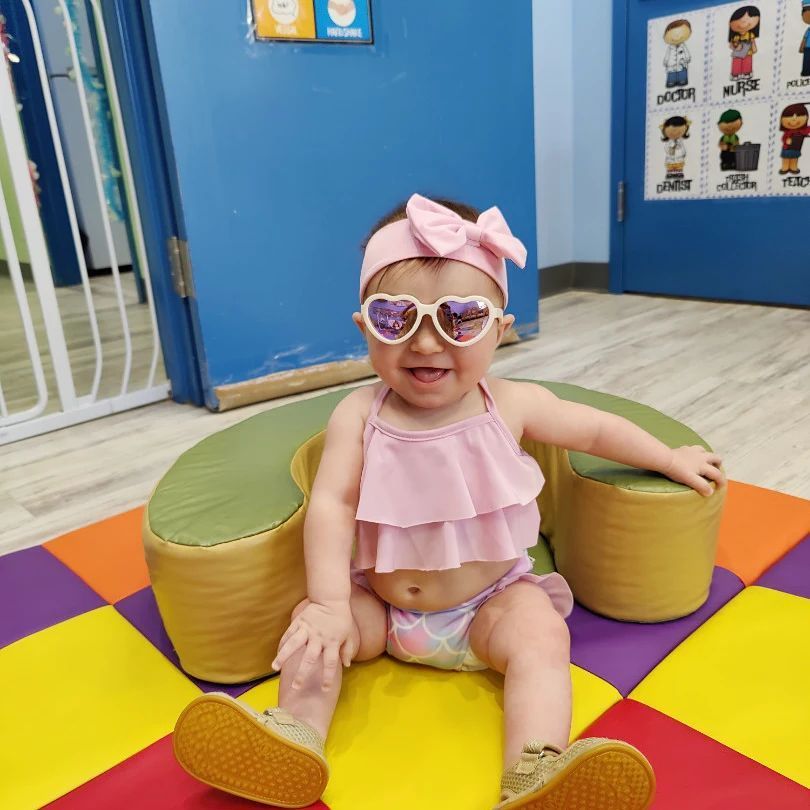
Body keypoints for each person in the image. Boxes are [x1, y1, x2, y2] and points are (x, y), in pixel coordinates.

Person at [172, 194, 725, 809]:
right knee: (314, 633)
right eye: (395, 320)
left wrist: (669, 459)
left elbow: (594, 429)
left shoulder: (510, 403)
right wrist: (330, 603)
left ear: (500, 328)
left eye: (459, 318)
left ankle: (534, 768)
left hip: (488, 607)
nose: (427, 345)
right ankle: (292, 737)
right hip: (380, 608)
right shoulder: (359, 413)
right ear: (364, 329)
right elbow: (330, 503)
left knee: (541, 637)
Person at [728, 6, 760, 80]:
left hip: (748, 53)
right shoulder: (735, 37)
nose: (744, 24)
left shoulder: (750, 35)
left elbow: (752, 42)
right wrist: (735, 47)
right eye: (741, 20)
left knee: (747, 63)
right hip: (737, 54)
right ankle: (735, 75)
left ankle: (747, 73)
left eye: (748, 21)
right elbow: (731, 46)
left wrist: (754, 49)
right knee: (737, 64)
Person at [778, 103, 810, 174]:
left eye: (798, 116)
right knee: (786, 158)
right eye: (790, 116)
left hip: (796, 148)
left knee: (794, 158)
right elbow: (783, 138)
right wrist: (786, 140)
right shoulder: (787, 132)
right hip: (787, 148)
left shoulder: (803, 130)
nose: (793, 120)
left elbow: (808, 130)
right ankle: (785, 168)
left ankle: (793, 168)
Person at [663, 19, 692, 87]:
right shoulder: (670, 48)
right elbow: (667, 55)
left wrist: (687, 58)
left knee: (682, 73)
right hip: (671, 65)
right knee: (672, 74)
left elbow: (687, 53)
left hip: (681, 63)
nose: (677, 37)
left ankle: (682, 81)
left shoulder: (683, 46)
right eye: (674, 35)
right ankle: (671, 82)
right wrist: (666, 61)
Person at [799, 0, 810, 77]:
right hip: (807, 48)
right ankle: (805, 72)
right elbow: (804, 38)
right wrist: (802, 47)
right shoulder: (808, 30)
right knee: (806, 61)